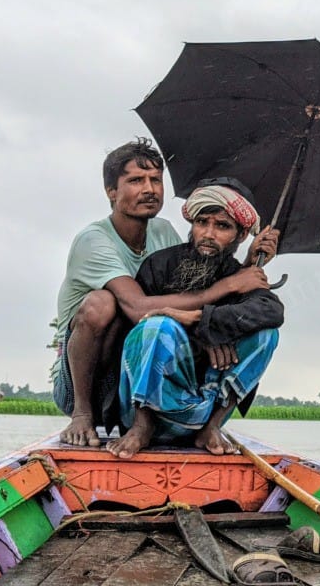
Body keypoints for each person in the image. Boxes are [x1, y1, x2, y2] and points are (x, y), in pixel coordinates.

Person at [52, 138, 277, 446]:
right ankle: (84, 415)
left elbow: (194, 292)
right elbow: (138, 307)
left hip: (144, 361)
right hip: (92, 380)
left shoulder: (163, 234)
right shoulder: (94, 241)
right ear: (111, 192)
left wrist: (242, 271)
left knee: (259, 331)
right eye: (135, 180)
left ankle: (202, 423)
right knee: (104, 304)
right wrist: (228, 287)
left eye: (155, 180)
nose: (149, 189)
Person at [105, 179, 283, 458]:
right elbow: (135, 332)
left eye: (222, 226)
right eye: (202, 222)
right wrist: (203, 331)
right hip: (139, 401)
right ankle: (142, 427)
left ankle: (211, 428)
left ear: (239, 235)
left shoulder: (241, 275)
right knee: (157, 327)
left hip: (201, 408)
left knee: (267, 334)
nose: (208, 234)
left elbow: (271, 311)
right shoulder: (160, 265)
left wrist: (203, 322)